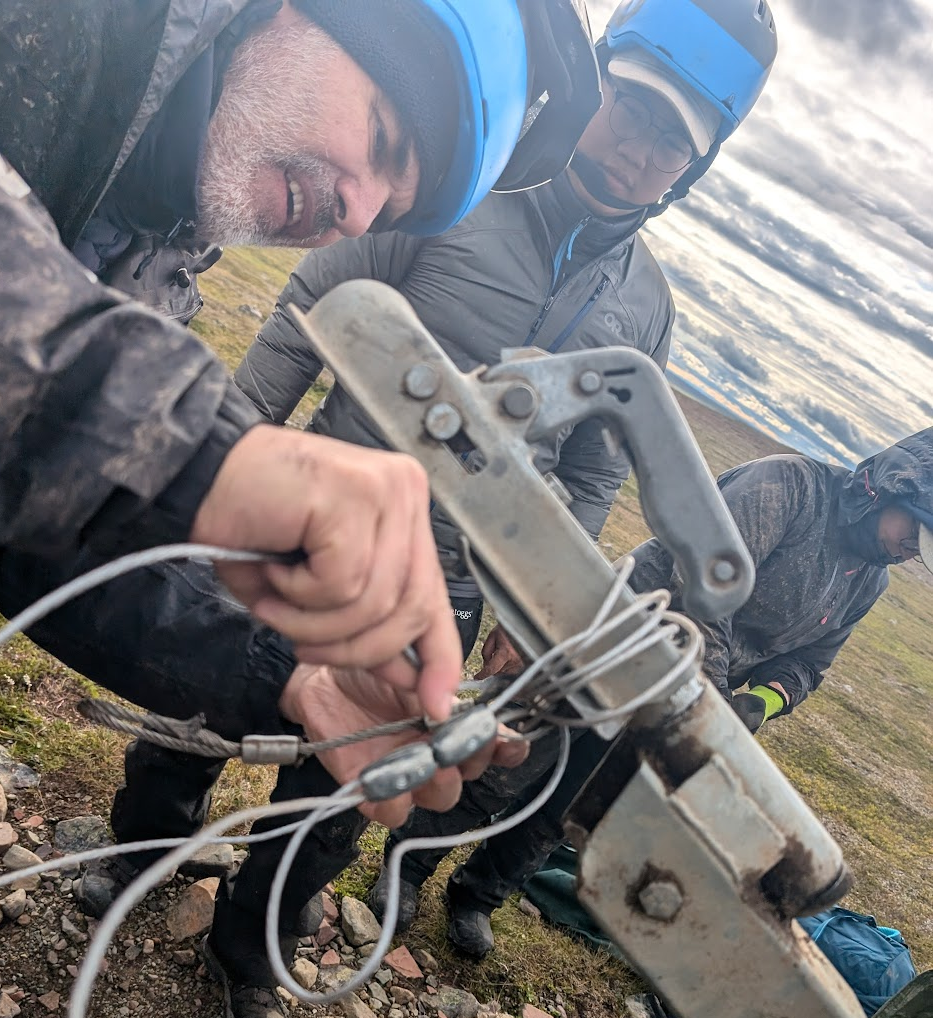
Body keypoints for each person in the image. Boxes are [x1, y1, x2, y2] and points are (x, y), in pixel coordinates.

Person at [76, 0, 779, 1002]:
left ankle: (247, 948)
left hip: (436, 597)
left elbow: (591, 473)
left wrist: (538, 603)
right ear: (599, 85)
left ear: (693, 169)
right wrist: (227, 462)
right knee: (195, 699)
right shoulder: (465, 185)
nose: (637, 145)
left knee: (342, 787)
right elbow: (305, 312)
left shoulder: (643, 310)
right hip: (305, 521)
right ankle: (136, 854)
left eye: (673, 138)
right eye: (633, 105)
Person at [379, 426, 933, 960]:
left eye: (925, 540)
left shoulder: (869, 580)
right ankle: (407, 865)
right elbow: (704, 592)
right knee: (503, 762)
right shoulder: (786, 488)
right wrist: (710, 703)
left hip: (675, 702)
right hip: (611, 640)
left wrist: (761, 702)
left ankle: (477, 896)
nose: (914, 545)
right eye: (914, 524)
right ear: (889, 485)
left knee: (571, 805)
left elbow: (811, 664)